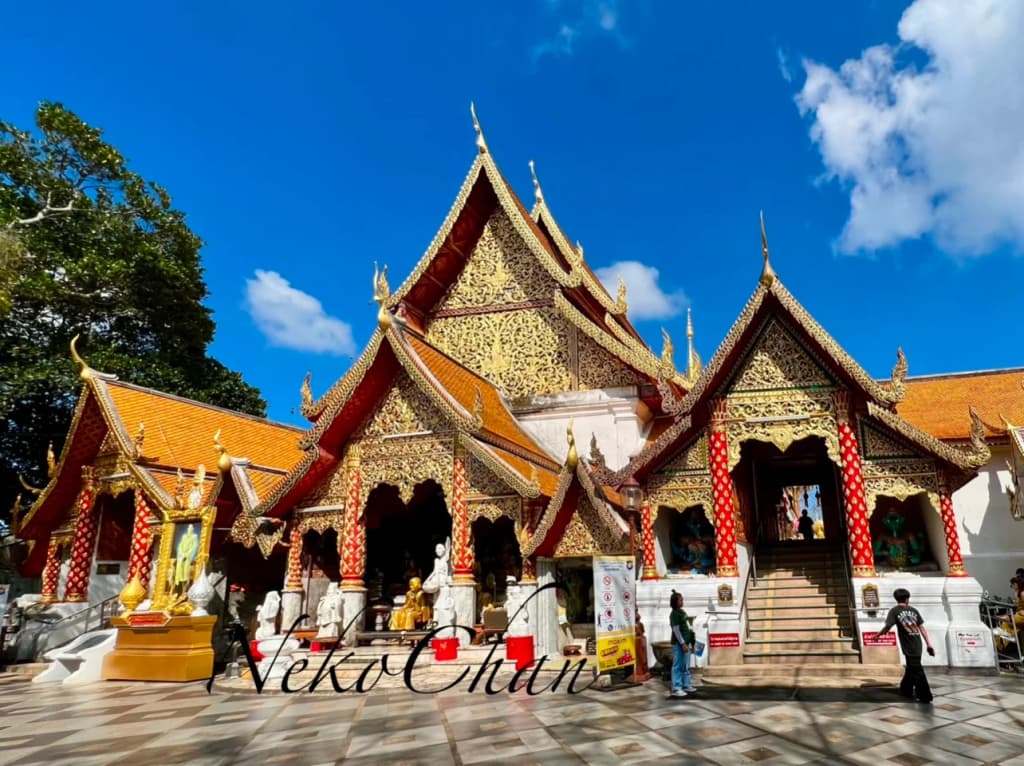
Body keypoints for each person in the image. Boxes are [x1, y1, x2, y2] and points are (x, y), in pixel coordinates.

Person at [876, 588, 935, 703]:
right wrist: (928, 643)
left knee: (916, 669)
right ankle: (906, 689)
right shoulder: (914, 610)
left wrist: (878, 635)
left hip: (908, 644)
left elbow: (888, 626)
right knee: (913, 667)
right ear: (907, 598)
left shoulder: (894, 611)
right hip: (917, 643)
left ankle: (924, 695)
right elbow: (921, 628)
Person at [668, 591, 697, 698]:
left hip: (687, 642)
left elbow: (688, 627)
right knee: (678, 665)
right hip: (679, 644)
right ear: (675, 602)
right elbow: (676, 630)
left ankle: (686, 684)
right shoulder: (674, 614)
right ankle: (676, 687)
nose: (682, 601)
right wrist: (683, 643)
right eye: (680, 600)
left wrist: (692, 642)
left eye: (682, 599)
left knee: (686, 665)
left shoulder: (683, 612)